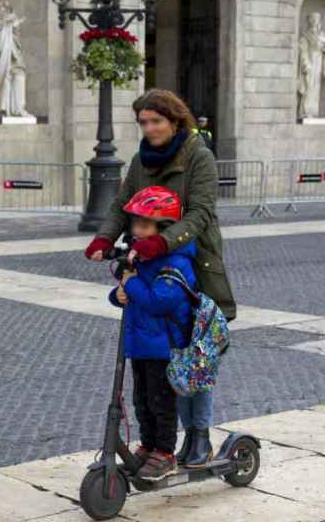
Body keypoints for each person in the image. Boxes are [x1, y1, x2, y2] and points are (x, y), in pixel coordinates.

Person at [86, 88, 237, 322]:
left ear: (175, 121)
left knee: (181, 334)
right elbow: (121, 205)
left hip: (187, 255)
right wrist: (104, 238)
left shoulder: (199, 157)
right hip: (145, 254)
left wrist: (161, 242)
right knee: (144, 323)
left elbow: (201, 213)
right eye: (143, 122)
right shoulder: (140, 160)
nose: (149, 129)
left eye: (156, 121)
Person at [110, 186, 197, 481]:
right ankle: (148, 445)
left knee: (162, 401)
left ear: (164, 228)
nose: (137, 229)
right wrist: (118, 294)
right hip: (141, 344)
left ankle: (165, 452)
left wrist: (130, 285)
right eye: (136, 223)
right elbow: (129, 288)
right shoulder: (141, 259)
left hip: (163, 346)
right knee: (141, 400)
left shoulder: (178, 261)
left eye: (145, 224)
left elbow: (159, 301)